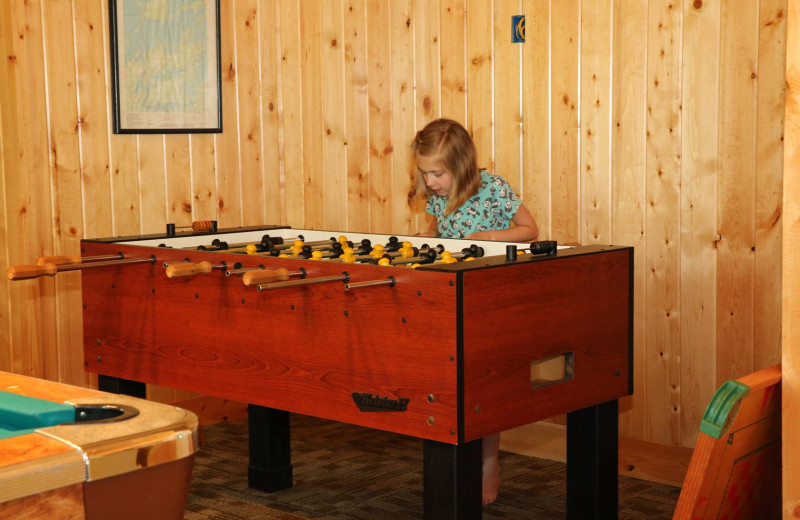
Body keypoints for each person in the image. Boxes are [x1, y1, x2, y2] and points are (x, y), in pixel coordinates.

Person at [410, 118, 539, 505]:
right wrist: (425, 238)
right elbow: (439, 227)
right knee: (449, 386)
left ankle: (488, 462)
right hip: (450, 294)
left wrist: (490, 236)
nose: (431, 181)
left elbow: (530, 229)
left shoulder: (494, 189)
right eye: (424, 172)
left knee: (481, 390)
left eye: (438, 172)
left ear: (462, 165)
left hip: (489, 297)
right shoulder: (438, 194)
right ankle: (453, 461)